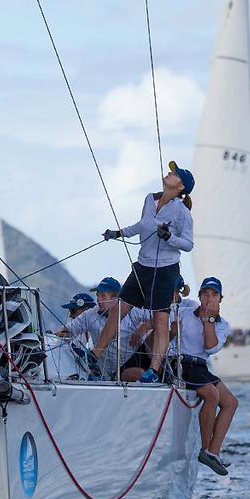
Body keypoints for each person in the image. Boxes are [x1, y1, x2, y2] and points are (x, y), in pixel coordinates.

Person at [94, 160, 194, 382]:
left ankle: (154, 370)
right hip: (143, 266)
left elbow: (188, 244)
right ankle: (95, 354)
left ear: (181, 187)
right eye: (170, 170)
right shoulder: (150, 198)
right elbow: (141, 225)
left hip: (166, 270)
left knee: (160, 321)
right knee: (117, 310)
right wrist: (118, 233)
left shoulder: (182, 212)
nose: (169, 173)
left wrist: (170, 237)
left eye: (175, 173)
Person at [171, 277, 237, 477]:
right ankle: (206, 449)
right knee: (211, 394)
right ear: (199, 297)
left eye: (214, 294)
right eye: (205, 294)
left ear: (220, 299)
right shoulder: (183, 313)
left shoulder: (222, 324)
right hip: (181, 362)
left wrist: (208, 319)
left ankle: (212, 451)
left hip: (200, 366)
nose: (209, 298)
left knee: (231, 402)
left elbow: (210, 347)